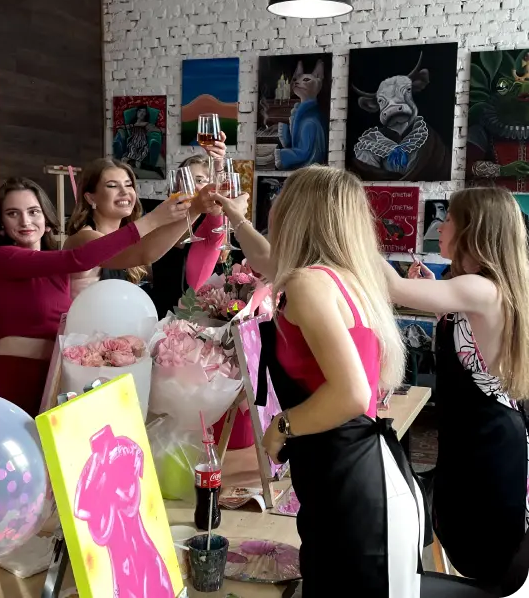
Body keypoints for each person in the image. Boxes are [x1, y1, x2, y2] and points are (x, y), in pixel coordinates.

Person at [213, 166, 429, 597]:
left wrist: (281, 427)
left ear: (296, 211)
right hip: (363, 478)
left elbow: (351, 394)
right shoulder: (347, 277)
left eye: (282, 199)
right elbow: (265, 259)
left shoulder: (309, 283)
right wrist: (236, 218)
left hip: (351, 489)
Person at [382, 187, 529, 583]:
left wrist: (347, 233)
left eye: (448, 219)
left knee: (489, 559)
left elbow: (393, 288)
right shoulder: (471, 287)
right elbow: (454, 315)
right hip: (472, 436)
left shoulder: (480, 288)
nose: (441, 227)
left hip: (488, 444)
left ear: (472, 231)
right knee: (470, 544)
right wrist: (433, 287)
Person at [0, 177, 198, 418]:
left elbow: (142, 254)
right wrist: (153, 219)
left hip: (51, 382)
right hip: (11, 381)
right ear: (1, 224)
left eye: (33, 211)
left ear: (46, 219)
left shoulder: (58, 269)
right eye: (13, 214)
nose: (25, 221)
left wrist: (195, 210)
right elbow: (79, 258)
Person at [65, 156, 222, 299]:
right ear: (90, 198)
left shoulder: (127, 237)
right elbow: (143, 254)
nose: (124, 191)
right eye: (112, 186)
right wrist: (189, 210)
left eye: (128, 185)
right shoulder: (83, 238)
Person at [149, 150, 248, 318]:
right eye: (186, 180)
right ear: (177, 186)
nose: (193, 186)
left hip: (195, 318)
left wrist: (219, 167)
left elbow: (218, 210)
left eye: (200, 180)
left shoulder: (213, 224)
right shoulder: (162, 219)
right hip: (159, 312)